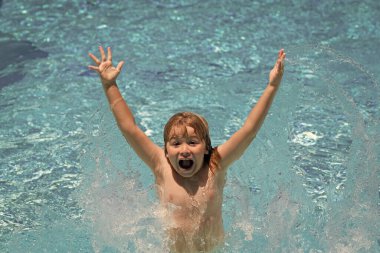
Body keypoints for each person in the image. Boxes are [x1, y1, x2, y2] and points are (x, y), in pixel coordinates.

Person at [88, 46, 285, 252]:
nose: (184, 150)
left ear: (206, 148)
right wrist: (110, 84)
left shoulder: (215, 164)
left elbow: (249, 130)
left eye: (193, 142)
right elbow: (129, 128)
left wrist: (272, 86)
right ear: (166, 150)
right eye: (176, 144)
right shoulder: (161, 164)